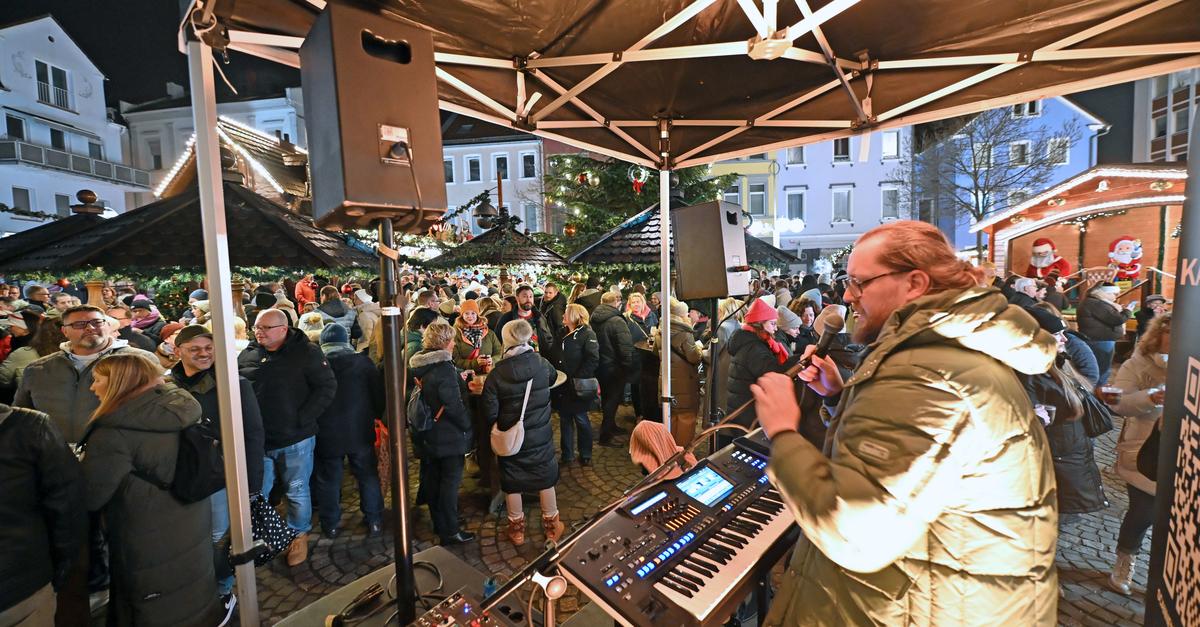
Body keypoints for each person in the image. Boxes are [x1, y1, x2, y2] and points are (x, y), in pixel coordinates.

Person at [750, 220, 1059, 625]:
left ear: (914, 283)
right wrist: (839, 396)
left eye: (859, 282)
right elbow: (910, 463)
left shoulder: (924, 375)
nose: (848, 295)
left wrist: (783, 431)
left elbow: (855, 532)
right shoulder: (945, 353)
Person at [81, 352, 221, 627]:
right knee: (188, 593)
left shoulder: (113, 434)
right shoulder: (180, 408)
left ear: (119, 384)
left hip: (144, 535)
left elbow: (90, 496)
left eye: (97, 380)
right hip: (189, 521)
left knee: (151, 606)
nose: (92, 387)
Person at [168, 325, 264, 611]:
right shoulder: (166, 385)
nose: (204, 354)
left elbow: (253, 434)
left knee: (219, 536)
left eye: (209, 348)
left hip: (220, 476)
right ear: (178, 351)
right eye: (195, 349)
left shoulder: (234, 384)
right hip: (182, 475)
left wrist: (252, 483)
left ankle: (222, 589)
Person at [237, 309, 337, 567]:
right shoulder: (248, 354)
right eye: (256, 327)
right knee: (259, 491)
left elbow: (326, 387)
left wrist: (302, 418)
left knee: (296, 490)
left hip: (295, 439)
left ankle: (297, 534)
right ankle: (263, 534)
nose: (259, 332)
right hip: (258, 440)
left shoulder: (306, 353)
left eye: (265, 328)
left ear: (283, 329)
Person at [0, 402, 84, 627]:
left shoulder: (32, 429)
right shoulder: (32, 428)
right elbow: (68, 514)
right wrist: (59, 573)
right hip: (21, 590)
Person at [482, 320, 563, 546]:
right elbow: (552, 378)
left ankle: (516, 530)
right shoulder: (542, 363)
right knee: (545, 476)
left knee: (512, 480)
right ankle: (552, 526)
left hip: (512, 436)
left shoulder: (497, 374)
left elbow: (489, 411)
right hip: (540, 434)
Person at [1021, 306, 1107, 516]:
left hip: (1072, 452)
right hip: (1057, 457)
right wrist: (1038, 417)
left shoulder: (1058, 363)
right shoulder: (1030, 371)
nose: (1065, 339)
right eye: (1057, 334)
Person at [1108, 312, 1170, 595]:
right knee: (1143, 512)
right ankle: (1125, 561)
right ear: (1159, 335)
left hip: (1186, 453)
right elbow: (1116, 401)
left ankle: (1168, 577)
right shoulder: (1137, 363)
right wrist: (1151, 397)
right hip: (1144, 452)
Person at [313, 324, 385, 539]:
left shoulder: (317, 365)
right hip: (359, 429)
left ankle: (330, 524)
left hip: (326, 432)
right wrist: (375, 415)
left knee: (329, 479)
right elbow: (378, 396)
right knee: (367, 474)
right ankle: (374, 519)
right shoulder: (363, 363)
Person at [408, 322, 476, 545]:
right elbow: (453, 405)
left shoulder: (420, 363)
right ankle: (450, 530)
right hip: (447, 435)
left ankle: (439, 522)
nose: (454, 343)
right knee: (449, 483)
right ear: (445, 342)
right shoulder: (444, 368)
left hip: (427, 432)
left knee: (434, 479)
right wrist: (467, 425)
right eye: (452, 340)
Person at [723, 298, 794, 449]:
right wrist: (797, 360)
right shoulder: (754, 348)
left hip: (741, 408)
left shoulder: (749, 341)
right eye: (772, 324)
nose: (776, 328)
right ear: (760, 324)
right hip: (748, 413)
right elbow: (773, 374)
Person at [554, 304, 599, 466]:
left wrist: (578, 377)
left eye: (566, 313)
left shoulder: (587, 333)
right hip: (563, 384)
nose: (563, 316)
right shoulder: (561, 332)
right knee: (565, 419)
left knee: (581, 418)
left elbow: (593, 359)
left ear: (574, 315)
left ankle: (585, 453)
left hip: (578, 385)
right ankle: (567, 454)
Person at [655, 299, 703, 446]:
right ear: (681, 314)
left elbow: (656, 351)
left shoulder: (661, 329)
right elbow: (694, 357)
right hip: (684, 382)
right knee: (686, 418)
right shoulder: (685, 333)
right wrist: (699, 349)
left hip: (667, 381)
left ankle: (669, 451)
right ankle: (681, 454)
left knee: (671, 417)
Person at [591, 291, 634, 446]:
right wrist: (628, 366)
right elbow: (625, 347)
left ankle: (611, 426)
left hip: (601, 365)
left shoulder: (594, 318)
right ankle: (605, 436)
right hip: (614, 367)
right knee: (612, 400)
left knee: (607, 399)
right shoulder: (617, 321)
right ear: (616, 302)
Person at [1076, 283, 1134, 385]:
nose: (1116, 296)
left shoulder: (1093, 302)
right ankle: (1098, 390)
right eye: (1114, 293)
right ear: (1104, 293)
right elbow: (1117, 319)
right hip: (1100, 340)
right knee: (1102, 369)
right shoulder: (1097, 304)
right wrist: (1128, 311)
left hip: (1097, 339)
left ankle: (1096, 388)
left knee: (1098, 367)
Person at [496, 285, 556, 362]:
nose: (528, 299)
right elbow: (497, 340)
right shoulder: (507, 318)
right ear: (517, 298)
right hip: (515, 361)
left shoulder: (540, 317)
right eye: (525, 296)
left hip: (537, 360)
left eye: (531, 296)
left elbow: (548, 338)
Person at [451, 300, 502, 374]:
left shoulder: (489, 333)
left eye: (473, 313)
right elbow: (456, 360)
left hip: (489, 375)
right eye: (466, 313)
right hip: (466, 376)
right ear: (462, 315)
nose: (470, 316)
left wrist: (492, 360)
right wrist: (475, 363)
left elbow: (499, 352)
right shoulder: (455, 334)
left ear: (477, 314)